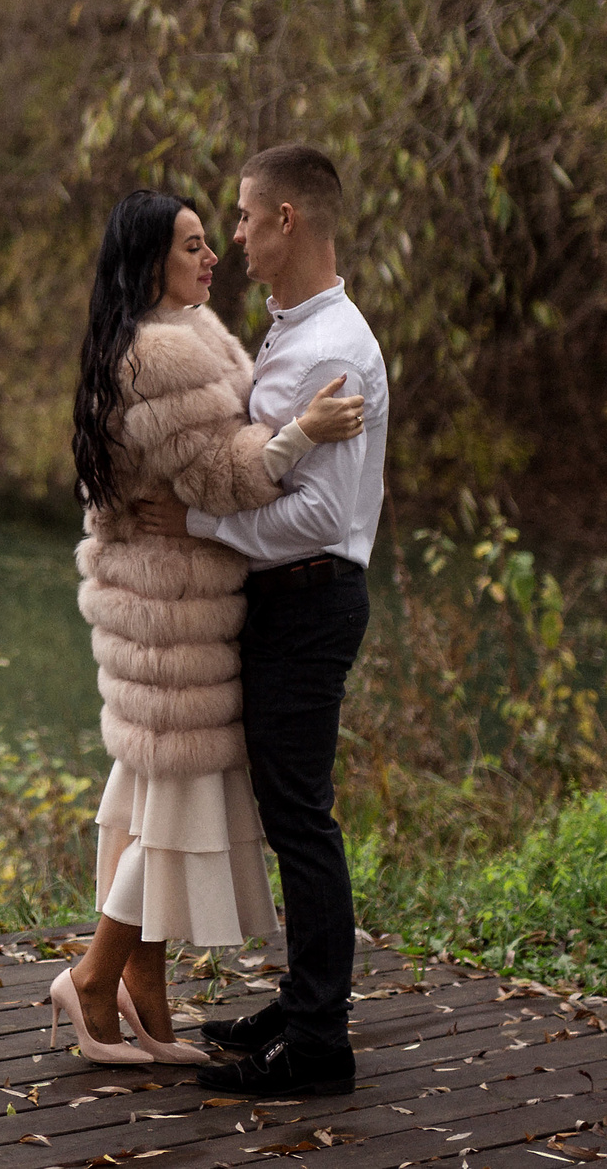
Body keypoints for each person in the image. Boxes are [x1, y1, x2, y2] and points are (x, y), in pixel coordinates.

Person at [51, 189, 365, 1068]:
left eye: (209, 240)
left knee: (153, 801)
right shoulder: (161, 353)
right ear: (151, 259)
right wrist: (300, 433)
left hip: (163, 607)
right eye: (192, 244)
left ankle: (143, 997)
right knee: (173, 809)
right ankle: (91, 979)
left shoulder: (175, 333)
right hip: (171, 618)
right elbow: (220, 474)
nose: (213, 254)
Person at [133, 144, 387, 1098]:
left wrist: (196, 523)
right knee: (291, 815)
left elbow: (320, 515)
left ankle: (320, 1045)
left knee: (303, 822)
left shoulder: (331, 348)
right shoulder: (294, 331)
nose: (233, 235)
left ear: (289, 219)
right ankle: (302, 1004)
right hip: (289, 599)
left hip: (311, 597)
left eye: (243, 217)